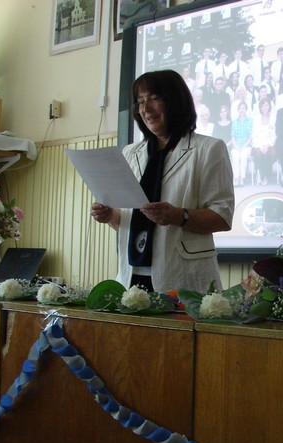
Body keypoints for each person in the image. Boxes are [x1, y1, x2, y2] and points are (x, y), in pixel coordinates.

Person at [91, 70, 234, 293]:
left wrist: (178, 216)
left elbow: (222, 217)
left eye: (154, 98)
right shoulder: (130, 153)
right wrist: (110, 216)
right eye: (140, 102)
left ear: (175, 101)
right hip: (131, 277)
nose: (146, 109)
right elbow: (129, 222)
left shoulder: (209, 149)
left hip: (183, 279)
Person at [252, 97, 276, 185]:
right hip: (258, 144)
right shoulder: (256, 119)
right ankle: (263, 175)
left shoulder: (273, 118)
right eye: (263, 106)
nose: (265, 107)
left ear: (269, 106)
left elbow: (274, 134)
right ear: (260, 108)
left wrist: (268, 145)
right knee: (258, 155)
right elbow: (254, 134)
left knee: (273, 154)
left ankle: (265, 173)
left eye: (266, 105)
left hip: (269, 144)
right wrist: (259, 146)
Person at [229, 101, 253, 186]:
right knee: (235, 155)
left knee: (243, 155)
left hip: (247, 146)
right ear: (238, 110)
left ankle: (242, 178)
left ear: (246, 110)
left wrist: (244, 147)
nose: (242, 110)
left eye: (243, 108)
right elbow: (232, 136)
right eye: (240, 108)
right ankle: (236, 178)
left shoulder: (250, 121)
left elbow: (251, 137)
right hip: (236, 146)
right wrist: (236, 147)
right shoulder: (234, 121)